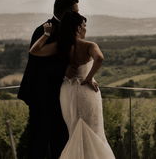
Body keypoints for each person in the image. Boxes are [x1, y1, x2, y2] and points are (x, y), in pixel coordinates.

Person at [30, 11, 115, 159]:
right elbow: (99, 58)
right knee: (93, 130)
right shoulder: (89, 45)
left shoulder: (60, 46)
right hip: (86, 91)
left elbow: (34, 51)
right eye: (84, 25)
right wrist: (89, 78)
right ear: (78, 28)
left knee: (74, 130)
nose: (85, 29)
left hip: (68, 92)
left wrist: (46, 34)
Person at [17, 0, 79, 159]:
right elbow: (37, 63)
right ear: (66, 12)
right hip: (41, 95)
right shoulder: (45, 29)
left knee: (59, 138)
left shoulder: (66, 30)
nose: (78, 16)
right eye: (75, 12)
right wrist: (63, 70)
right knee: (40, 140)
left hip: (56, 94)